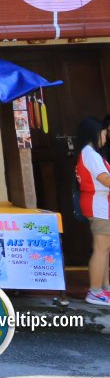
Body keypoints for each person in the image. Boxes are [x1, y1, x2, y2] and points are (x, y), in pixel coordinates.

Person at [75, 116, 110, 306]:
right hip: (99, 206)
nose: (105, 139)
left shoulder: (89, 153)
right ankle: (95, 291)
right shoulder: (91, 154)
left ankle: (105, 289)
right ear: (95, 133)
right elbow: (104, 179)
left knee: (104, 249)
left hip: (100, 205)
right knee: (101, 249)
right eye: (103, 134)